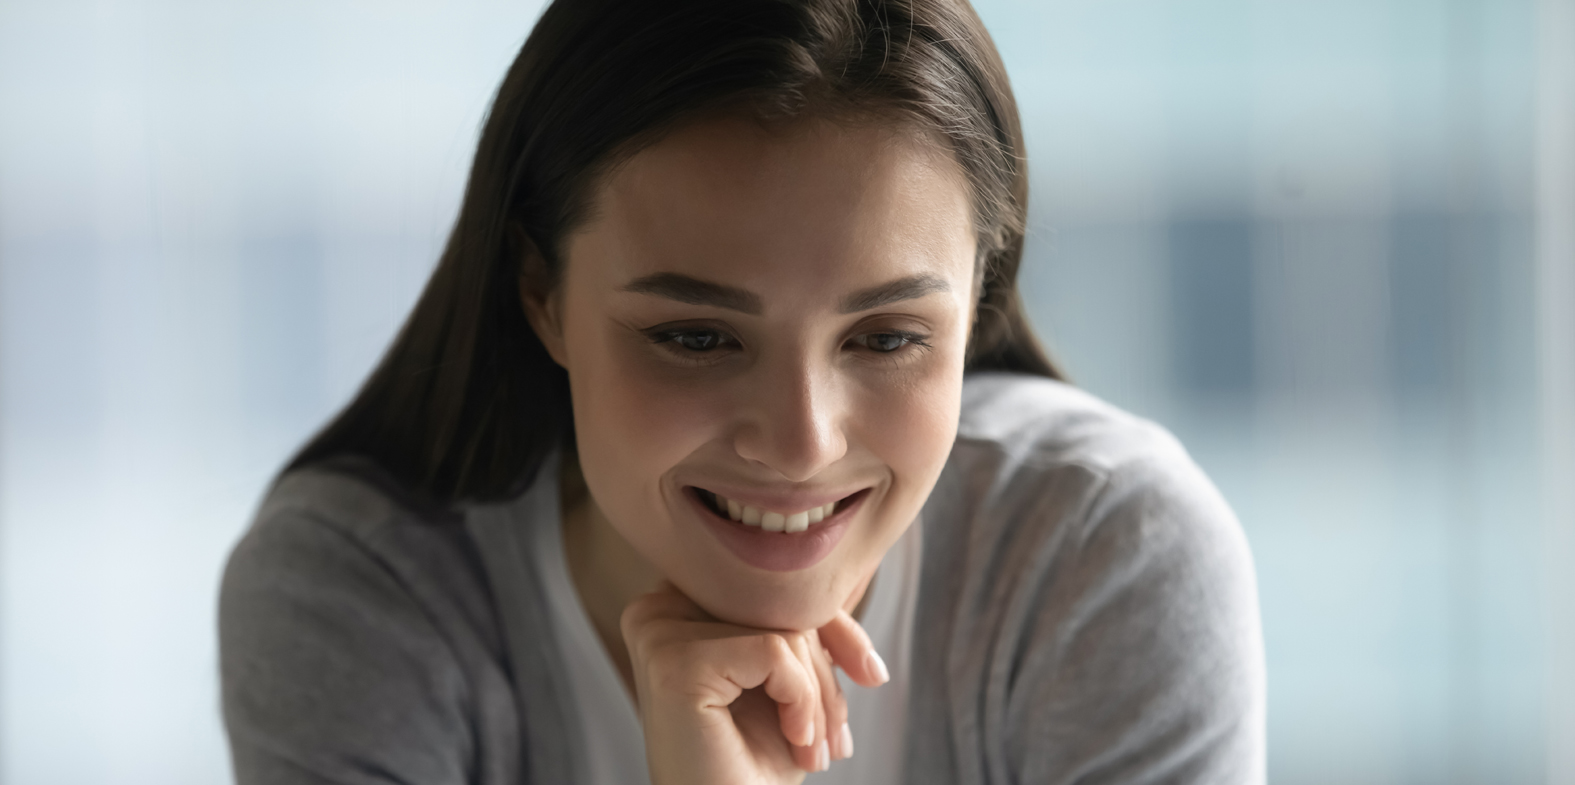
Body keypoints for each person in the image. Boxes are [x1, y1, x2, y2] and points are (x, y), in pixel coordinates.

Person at [217, 0, 1266, 783]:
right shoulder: (367, 602)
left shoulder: (1103, 560)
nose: (802, 441)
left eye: (890, 336)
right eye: (696, 336)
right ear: (542, 293)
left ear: (979, 300)